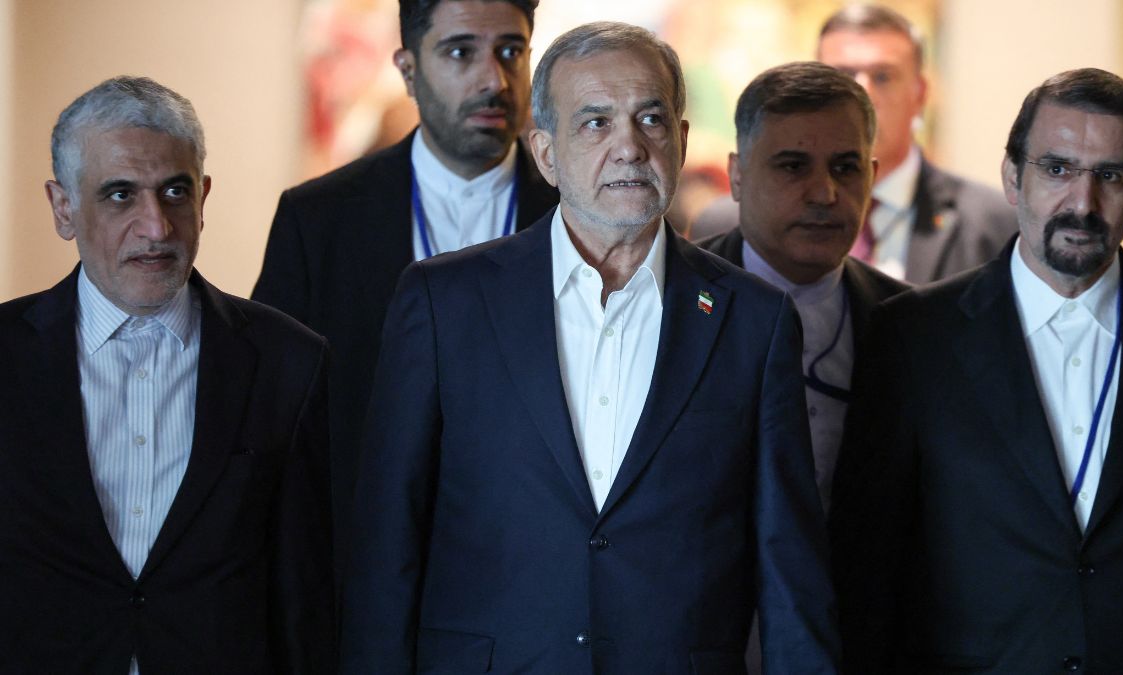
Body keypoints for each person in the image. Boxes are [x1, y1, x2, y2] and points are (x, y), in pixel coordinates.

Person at [342, 21, 838, 674]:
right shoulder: (443, 302)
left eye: (651, 119)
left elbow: (788, 565)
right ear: (545, 153)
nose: (630, 147)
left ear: (682, 141)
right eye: (596, 122)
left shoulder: (754, 319)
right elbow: (386, 546)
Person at [831, 68, 1123, 673]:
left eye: (1110, 176)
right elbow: (868, 565)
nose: (1083, 203)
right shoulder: (912, 337)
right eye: (1057, 169)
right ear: (1012, 177)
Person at [0, 77, 333, 674]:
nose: (156, 227)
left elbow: (304, 594)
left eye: (174, 192)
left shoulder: (290, 362)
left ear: (203, 198)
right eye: (120, 195)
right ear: (63, 207)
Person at [251, 0, 559, 582]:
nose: (493, 79)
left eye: (510, 52)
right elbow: (271, 425)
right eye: (460, 52)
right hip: (362, 570)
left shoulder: (578, 216)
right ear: (408, 69)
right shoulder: (319, 221)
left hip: (534, 577)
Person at [700, 61, 908, 515]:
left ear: (872, 175)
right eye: (793, 166)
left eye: (846, 167)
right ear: (737, 175)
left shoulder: (911, 325)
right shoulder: (669, 301)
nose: (824, 193)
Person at [817, 3, 1016, 282]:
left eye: (883, 76)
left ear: (920, 94)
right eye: (843, 76)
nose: (861, 96)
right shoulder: (747, 223)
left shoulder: (998, 226)